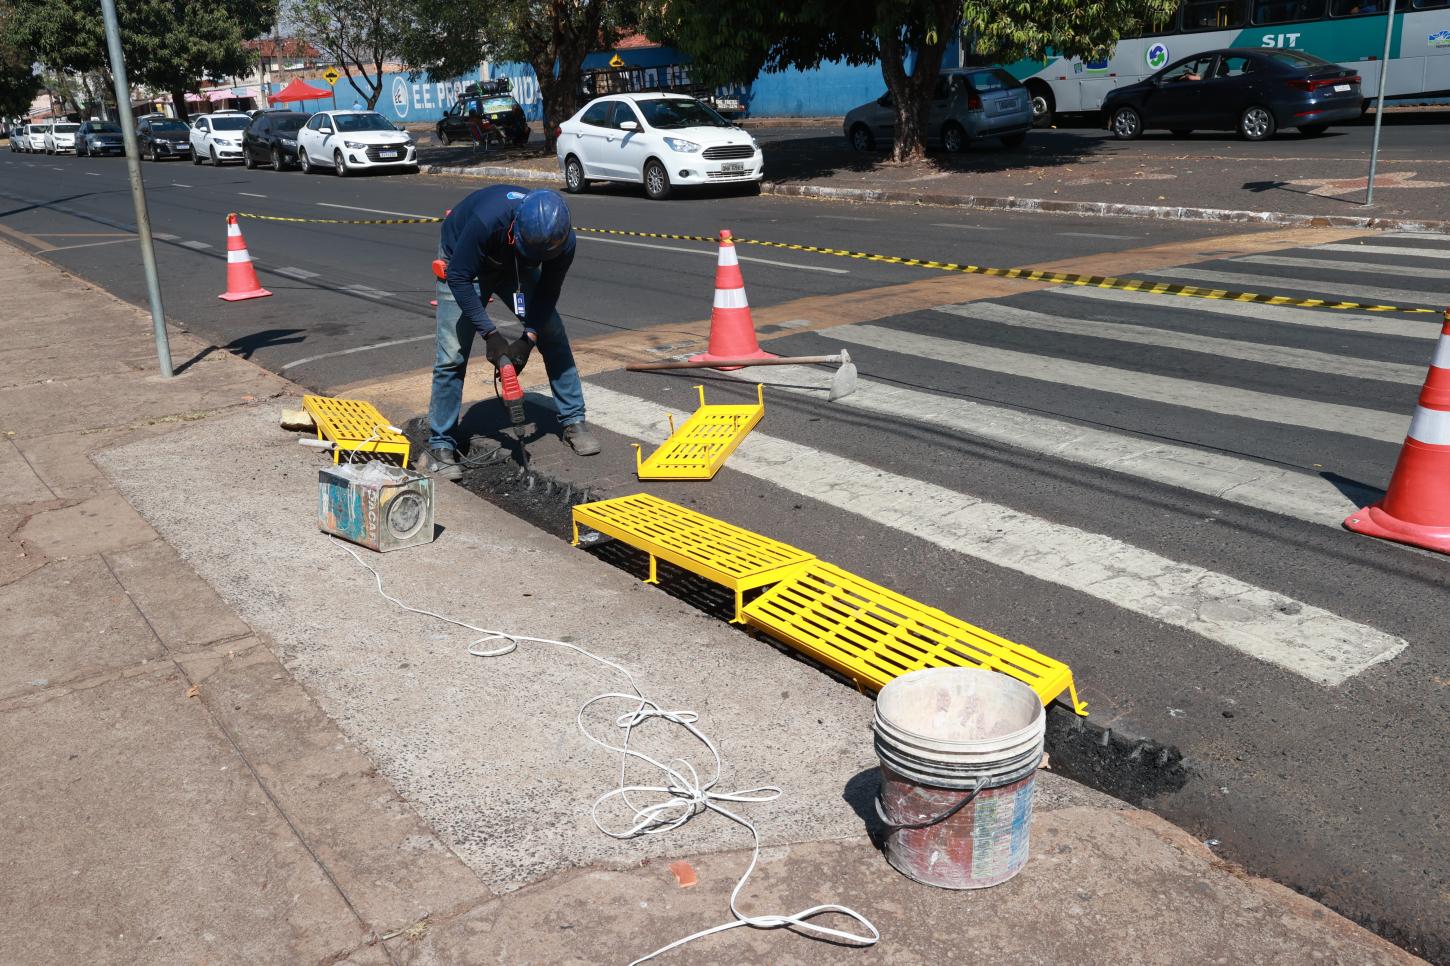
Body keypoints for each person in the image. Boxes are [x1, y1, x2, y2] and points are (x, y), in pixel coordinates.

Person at [421, 186, 599, 480]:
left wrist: (528, 338)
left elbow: (548, 290)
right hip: (466, 264)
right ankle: (441, 445)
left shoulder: (561, 240)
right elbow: (458, 276)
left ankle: (574, 421)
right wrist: (491, 335)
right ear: (516, 229)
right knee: (452, 353)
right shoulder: (485, 221)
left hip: (515, 265)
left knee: (552, 331)